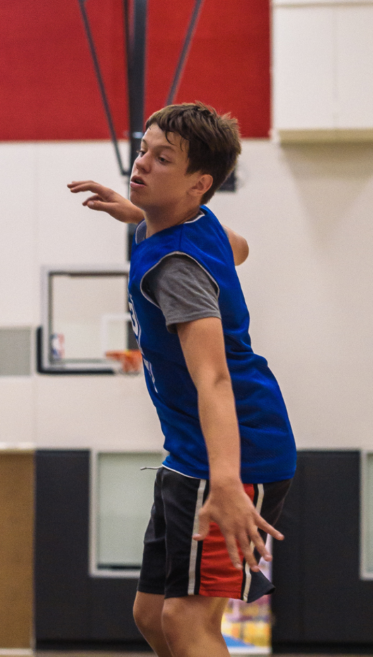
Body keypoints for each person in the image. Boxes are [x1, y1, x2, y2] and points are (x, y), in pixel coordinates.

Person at [69, 102, 296, 657]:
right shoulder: (201, 223)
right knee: (152, 614)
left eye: (161, 159)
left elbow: (214, 379)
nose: (141, 164)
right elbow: (238, 249)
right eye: (143, 150)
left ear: (199, 184)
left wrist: (226, 483)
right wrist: (139, 213)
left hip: (235, 453)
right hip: (191, 453)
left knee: (188, 623)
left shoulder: (175, 268)